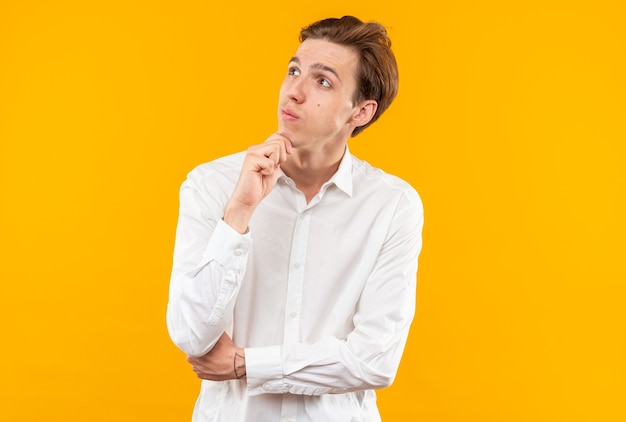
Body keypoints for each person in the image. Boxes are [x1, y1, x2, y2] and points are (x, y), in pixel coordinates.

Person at [166, 15, 424, 421]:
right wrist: (239, 213)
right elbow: (191, 334)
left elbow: (375, 359)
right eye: (293, 71)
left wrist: (246, 365)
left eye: (323, 81)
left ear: (361, 112)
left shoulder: (392, 206)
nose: (294, 93)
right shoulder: (212, 185)